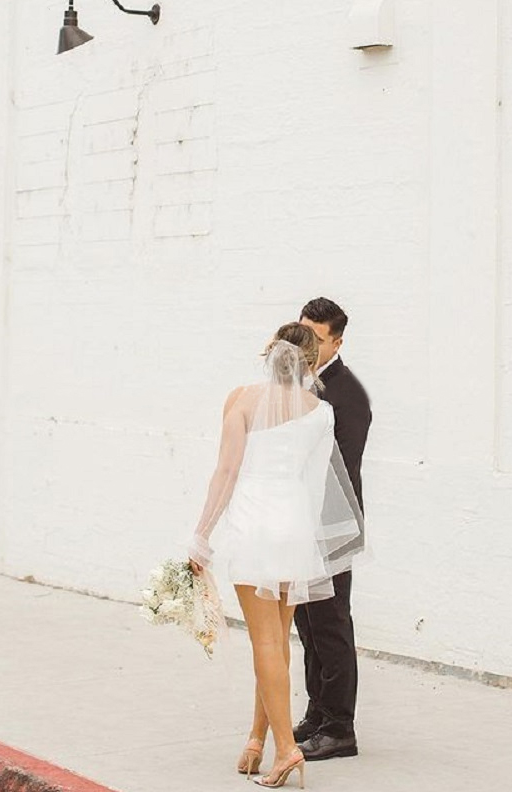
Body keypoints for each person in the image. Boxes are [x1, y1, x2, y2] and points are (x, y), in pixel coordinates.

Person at [188, 322, 364, 788]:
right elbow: (315, 480)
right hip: (294, 528)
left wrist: (201, 537)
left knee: (264, 643)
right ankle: (255, 739)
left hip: (254, 526)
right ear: (308, 364)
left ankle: (286, 751)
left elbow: (225, 474)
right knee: (279, 643)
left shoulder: (241, 400)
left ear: (270, 354)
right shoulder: (320, 412)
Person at [293, 298, 372, 761]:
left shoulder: (348, 395)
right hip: (300, 525)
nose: (304, 345)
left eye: (315, 338)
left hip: (331, 527)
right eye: (300, 333)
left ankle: (341, 727)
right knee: (306, 623)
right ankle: (318, 712)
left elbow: (340, 470)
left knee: (331, 624)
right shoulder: (300, 384)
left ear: (337, 342)